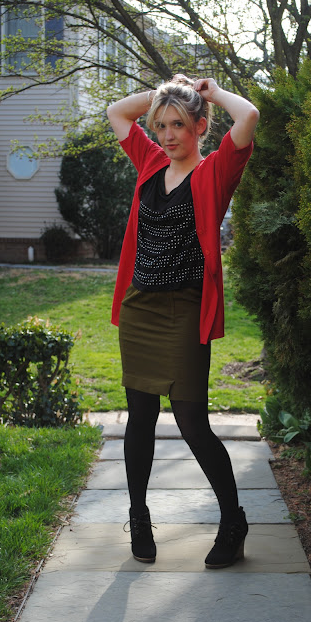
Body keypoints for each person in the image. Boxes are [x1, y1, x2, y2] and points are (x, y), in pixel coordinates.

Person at [107, 74, 259, 569]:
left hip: (186, 308)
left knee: (192, 421)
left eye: (178, 125)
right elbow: (116, 112)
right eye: (161, 125)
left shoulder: (215, 172)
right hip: (141, 308)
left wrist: (207, 92)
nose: (168, 135)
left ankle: (233, 522)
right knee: (140, 416)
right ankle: (139, 516)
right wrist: (164, 91)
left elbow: (249, 116)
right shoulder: (151, 162)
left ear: (199, 127)